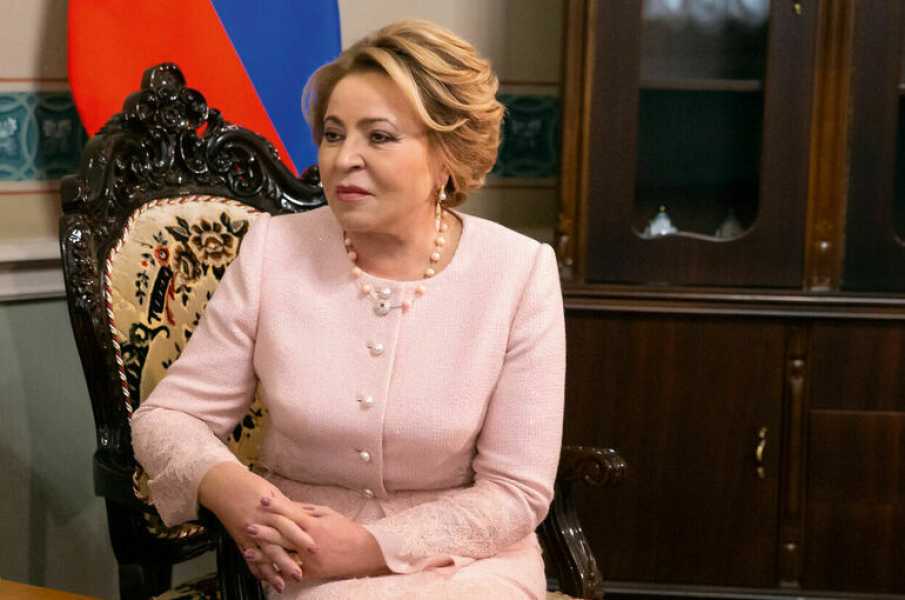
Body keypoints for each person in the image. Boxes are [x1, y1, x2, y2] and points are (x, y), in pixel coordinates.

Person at [131, 19, 565, 599]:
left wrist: (370, 547)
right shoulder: (273, 251)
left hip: (470, 560)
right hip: (301, 550)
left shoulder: (519, 270)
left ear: (448, 155)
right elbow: (167, 418)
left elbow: (515, 491)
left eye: (379, 137)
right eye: (333, 135)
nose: (343, 159)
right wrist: (229, 487)